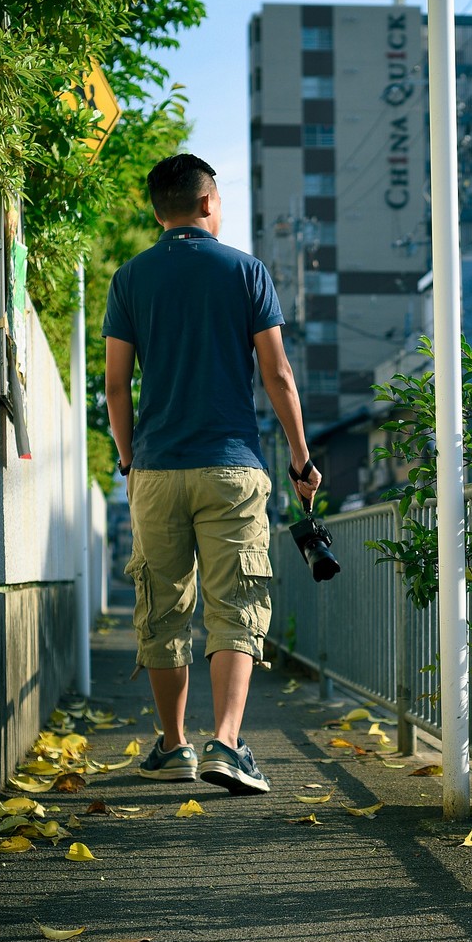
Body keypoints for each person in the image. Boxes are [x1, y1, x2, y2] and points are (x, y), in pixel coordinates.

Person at [102, 152, 321, 794]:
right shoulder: (247, 272)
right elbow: (279, 376)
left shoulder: (130, 278)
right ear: (206, 204)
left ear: (156, 209)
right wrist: (301, 461)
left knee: (163, 607)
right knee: (237, 604)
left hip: (157, 470)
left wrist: (128, 457)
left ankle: (174, 747)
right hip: (232, 468)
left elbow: (117, 387)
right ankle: (226, 743)